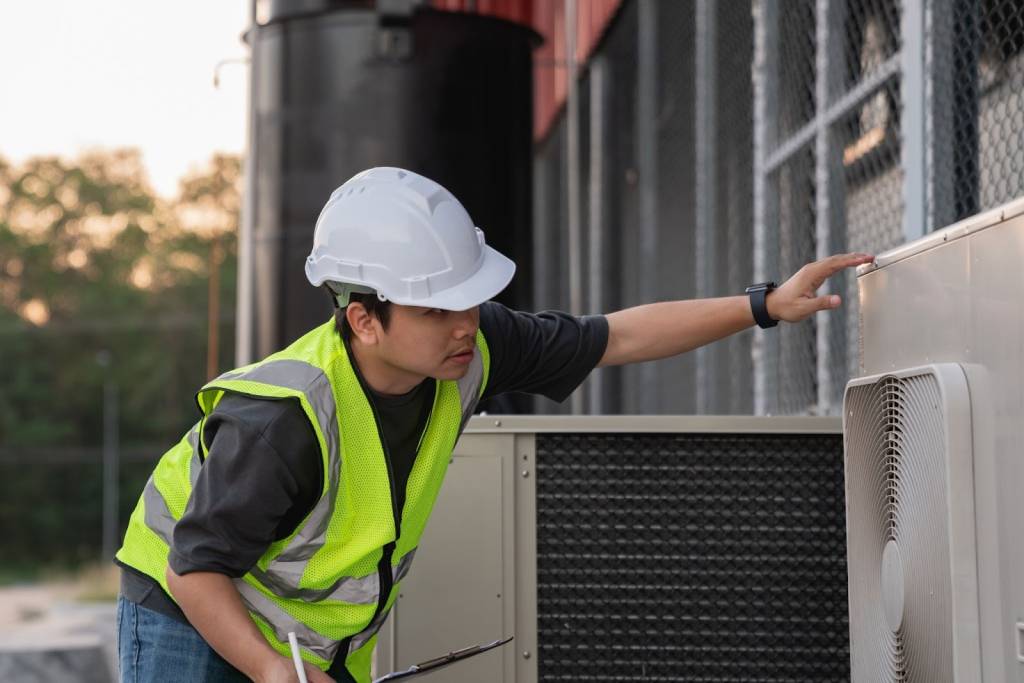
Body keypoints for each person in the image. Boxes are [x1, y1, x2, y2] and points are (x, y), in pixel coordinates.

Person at [114, 167, 873, 682]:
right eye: (437, 308)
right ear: (364, 320)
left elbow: (616, 336)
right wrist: (273, 670)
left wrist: (762, 306)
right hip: (183, 594)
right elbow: (194, 567)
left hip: (300, 631)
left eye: (468, 300)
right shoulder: (284, 418)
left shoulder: (474, 346)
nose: (463, 324)